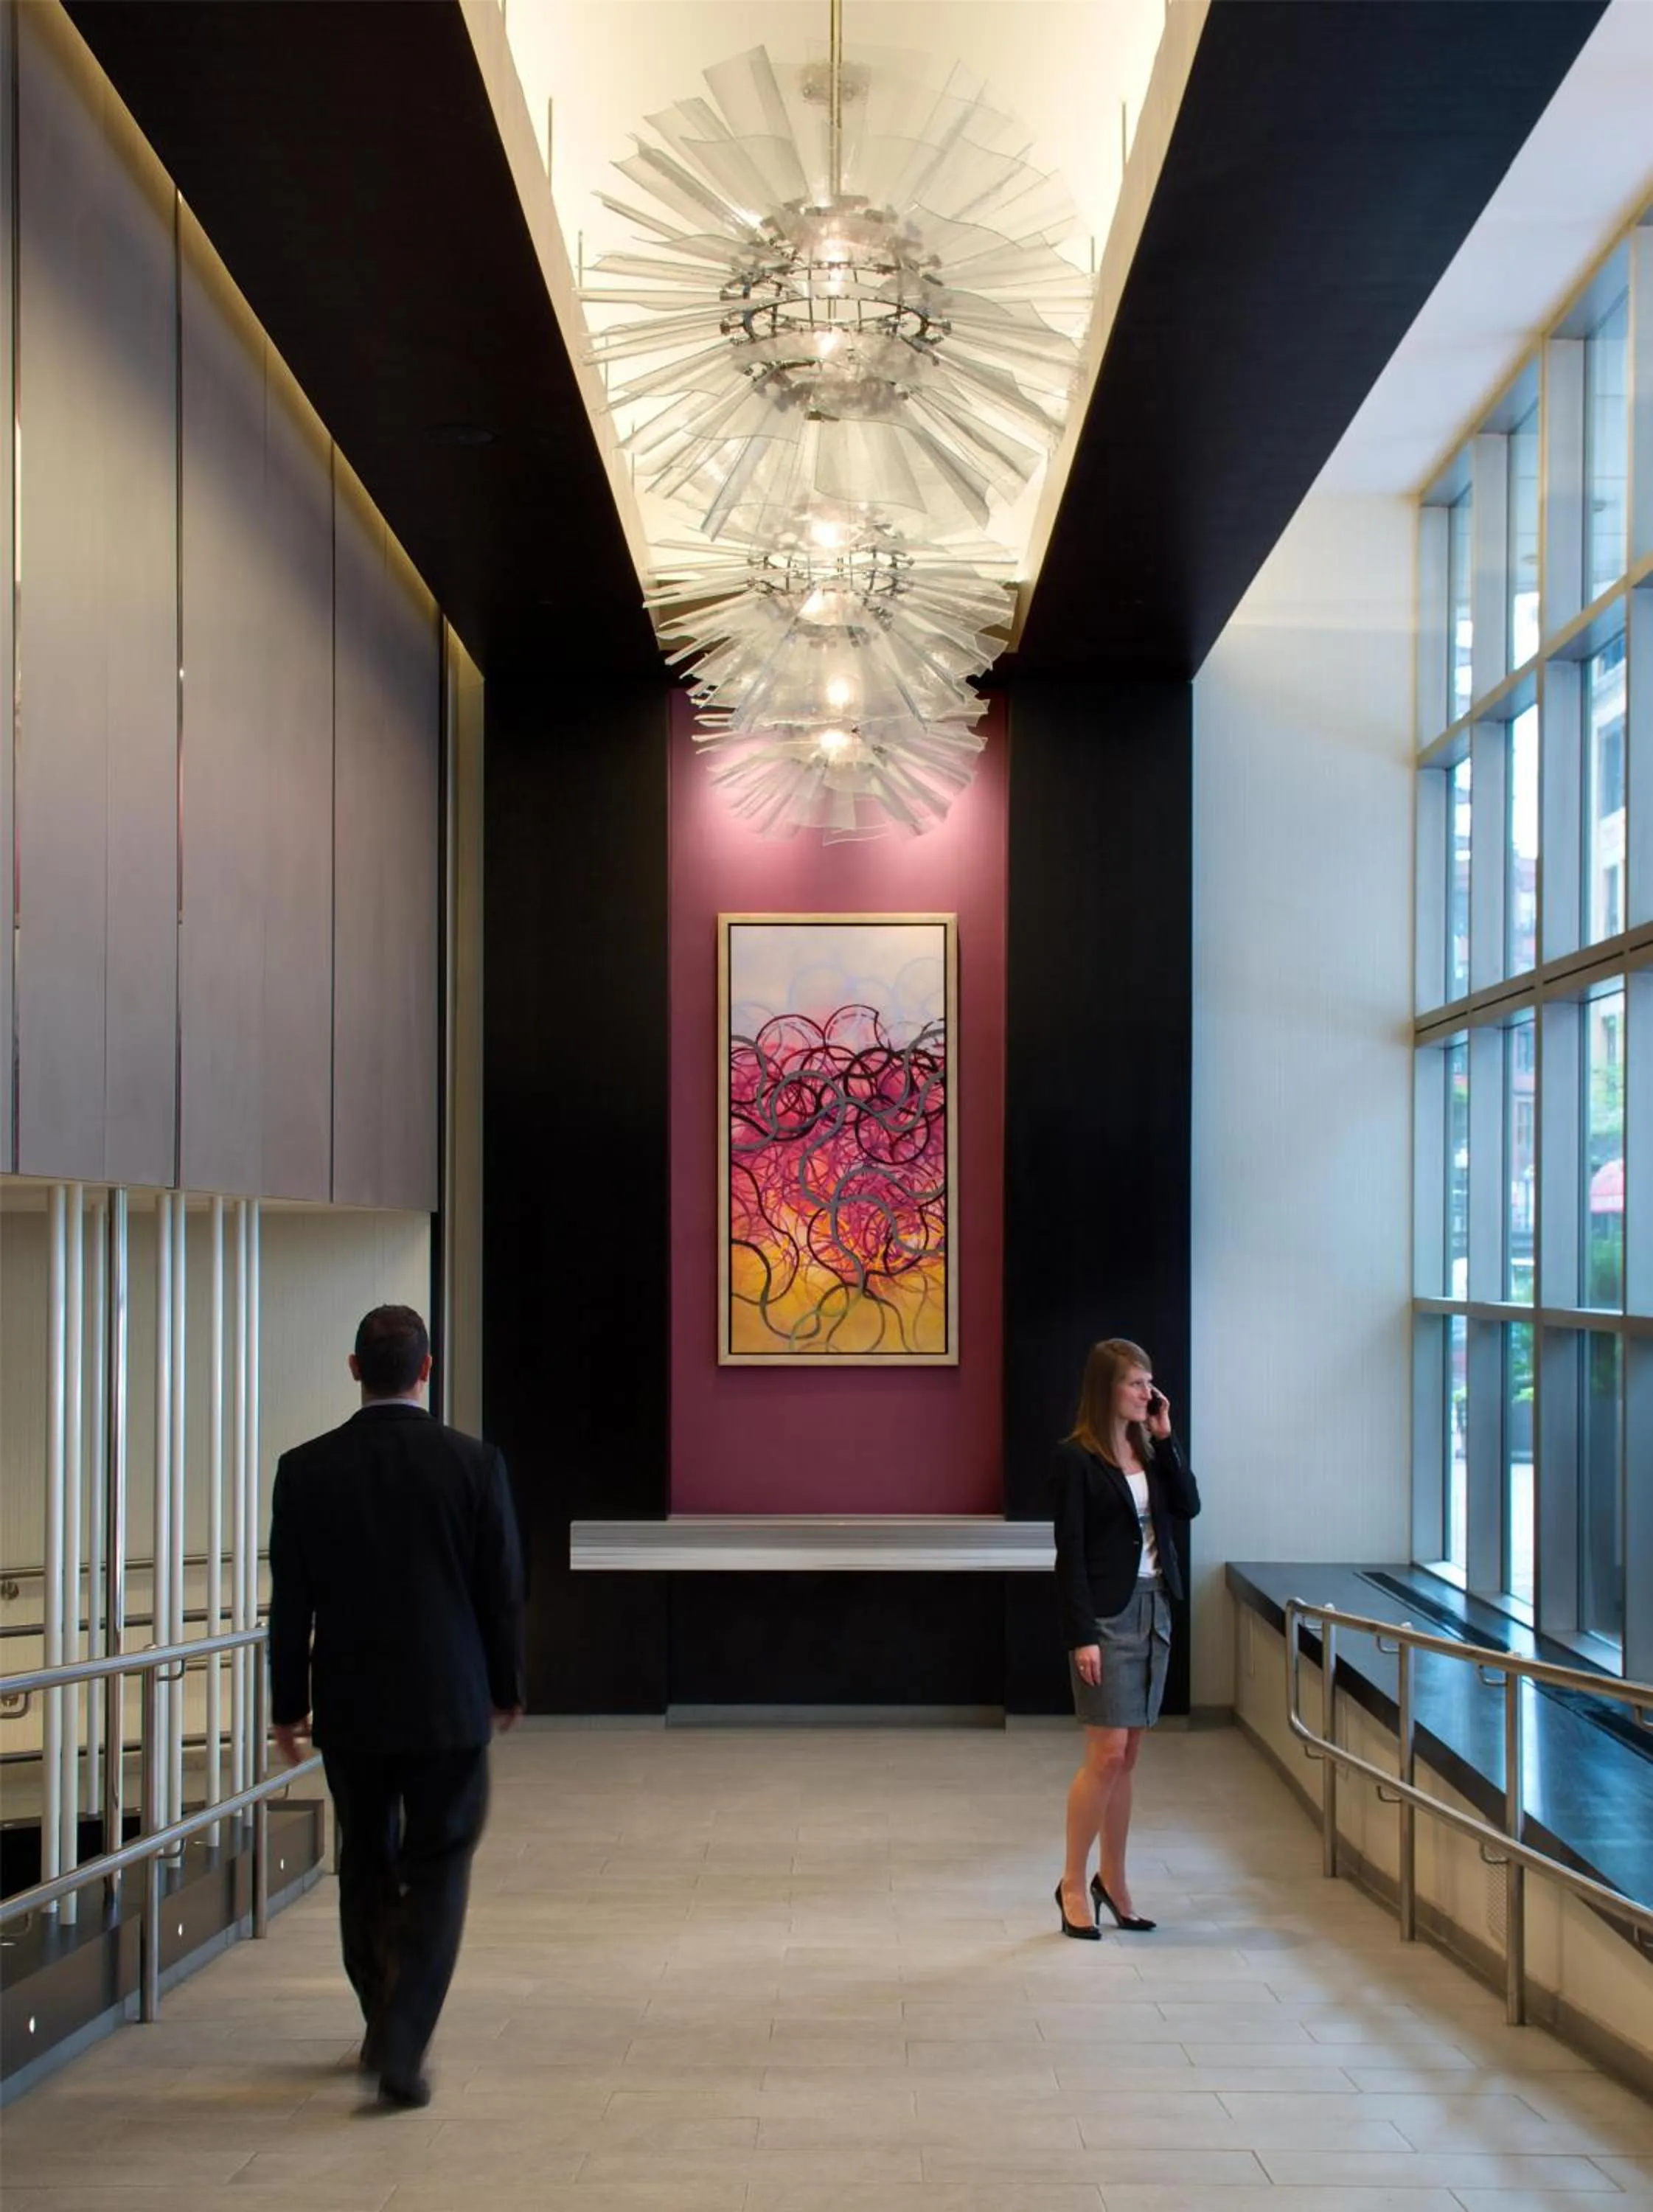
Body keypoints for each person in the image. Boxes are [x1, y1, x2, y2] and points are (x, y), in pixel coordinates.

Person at [268, 1304, 524, 2107]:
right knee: (440, 1866)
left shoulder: (304, 1469)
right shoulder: (473, 1465)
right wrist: (506, 1687)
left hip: (351, 1708)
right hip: (449, 1705)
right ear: (428, 1368)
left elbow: (291, 1607)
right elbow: (501, 1594)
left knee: (366, 1862)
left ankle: (381, 2022)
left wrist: (288, 1707)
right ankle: (403, 2045)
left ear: (354, 1370)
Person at [1051, 1338, 1200, 1939]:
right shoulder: (1076, 1459)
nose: (1147, 1394)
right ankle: (1070, 1880)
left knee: (1129, 1756)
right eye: (1136, 1384)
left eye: (1150, 1383)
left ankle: (1113, 1880)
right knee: (1106, 1753)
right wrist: (1081, 1635)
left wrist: (1166, 1439)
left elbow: (1187, 1505)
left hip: (1155, 1608)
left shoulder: (1150, 1449)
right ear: (1106, 1390)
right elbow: (1071, 1555)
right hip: (1107, 1618)